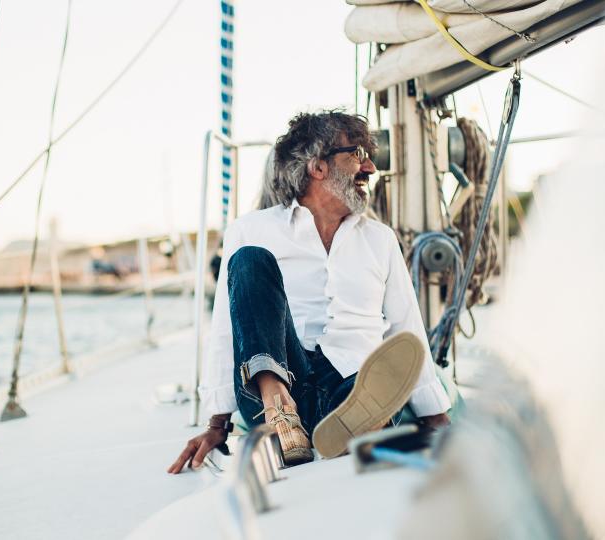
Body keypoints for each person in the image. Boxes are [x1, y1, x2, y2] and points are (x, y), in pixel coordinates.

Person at [168, 111, 451, 474]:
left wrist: (436, 418)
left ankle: (358, 424)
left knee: (371, 383)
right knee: (250, 261)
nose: (369, 169)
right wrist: (216, 425)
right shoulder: (250, 229)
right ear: (318, 167)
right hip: (279, 379)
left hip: (355, 385)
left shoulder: (380, 239)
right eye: (357, 155)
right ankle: (281, 414)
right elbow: (227, 330)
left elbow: (405, 328)